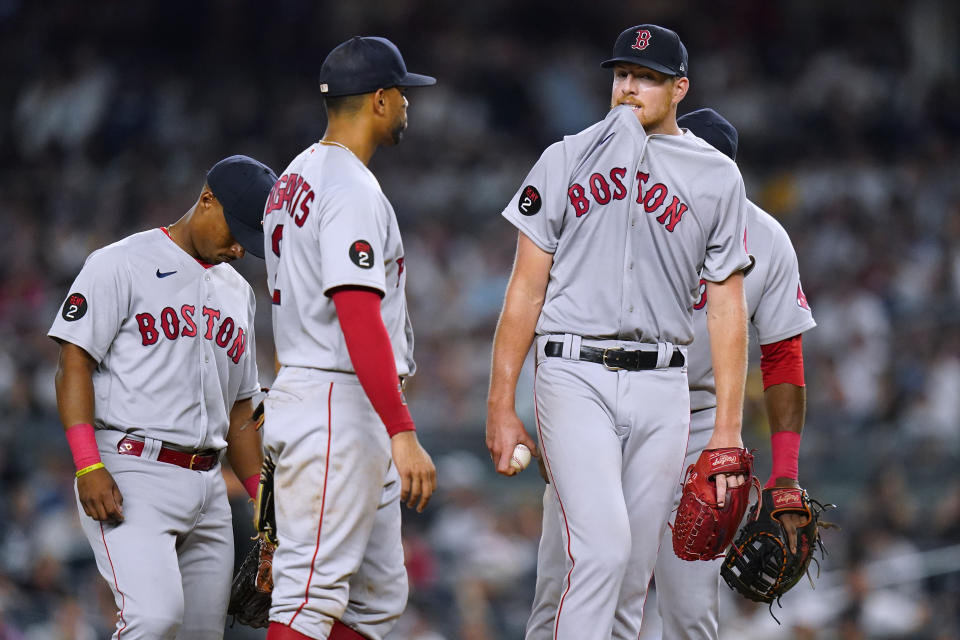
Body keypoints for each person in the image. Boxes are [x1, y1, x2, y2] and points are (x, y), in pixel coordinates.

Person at [485, 24, 752, 640]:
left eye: (647, 78)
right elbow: (524, 289)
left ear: (680, 88)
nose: (629, 88)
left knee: (632, 578)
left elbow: (727, 308)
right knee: (601, 550)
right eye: (622, 75)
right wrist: (501, 404)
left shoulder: (716, 177)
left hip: (664, 382)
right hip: (573, 371)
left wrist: (728, 432)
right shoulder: (566, 157)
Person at [525, 109, 818, 640]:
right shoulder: (617, 209)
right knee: (567, 585)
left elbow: (782, 357)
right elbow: (550, 314)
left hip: (700, 419)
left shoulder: (766, 239)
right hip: (599, 396)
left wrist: (787, 474)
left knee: (688, 608)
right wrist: (555, 417)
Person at [49, 154, 279, 639]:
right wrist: (88, 464)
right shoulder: (121, 262)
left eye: (249, 240)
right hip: (131, 471)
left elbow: (240, 409)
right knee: (152, 620)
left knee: (200, 634)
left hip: (210, 486)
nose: (240, 248)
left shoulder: (239, 293)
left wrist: (264, 508)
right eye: (235, 230)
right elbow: (73, 364)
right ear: (207, 199)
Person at [261, 36, 437, 640]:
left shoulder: (294, 177)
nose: (409, 107)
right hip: (336, 400)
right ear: (381, 101)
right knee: (309, 597)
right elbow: (357, 313)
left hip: (323, 392)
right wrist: (402, 428)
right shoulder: (350, 188)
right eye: (404, 95)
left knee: (376, 600)